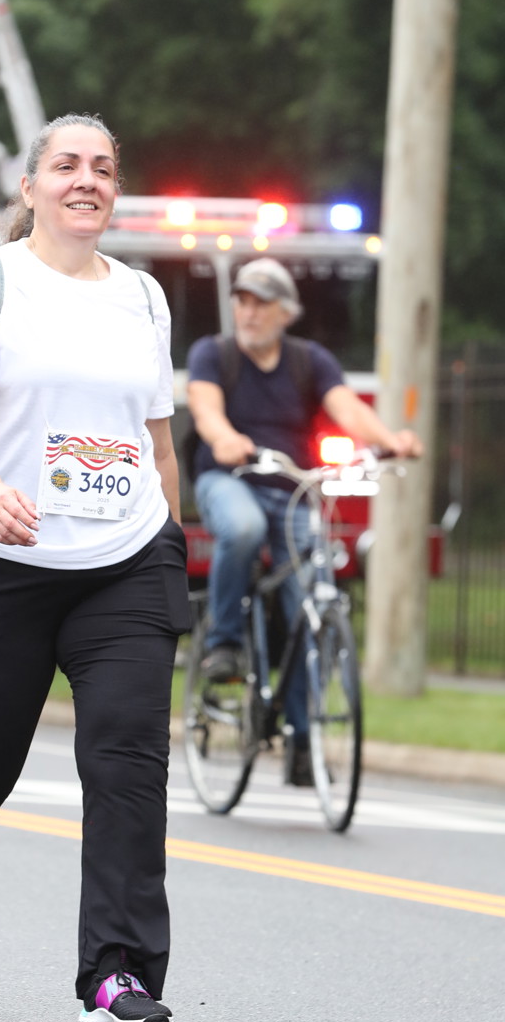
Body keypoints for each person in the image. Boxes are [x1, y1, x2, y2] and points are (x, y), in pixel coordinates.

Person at [0, 114, 190, 1022]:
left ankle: (117, 972)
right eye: (66, 165)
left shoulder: (143, 297)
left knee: (127, 762)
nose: (86, 179)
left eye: (103, 168)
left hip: (124, 562)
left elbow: (158, 442)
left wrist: (169, 540)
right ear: (30, 188)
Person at [186, 257, 422, 784]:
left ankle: (301, 742)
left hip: (292, 489)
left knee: (306, 610)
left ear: (286, 312)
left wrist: (390, 441)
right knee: (243, 529)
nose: (249, 312)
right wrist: (224, 438)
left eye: (261, 303)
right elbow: (205, 409)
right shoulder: (214, 354)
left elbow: (348, 409)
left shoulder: (309, 361)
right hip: (229, 479)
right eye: (242, 301)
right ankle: (225, 643)